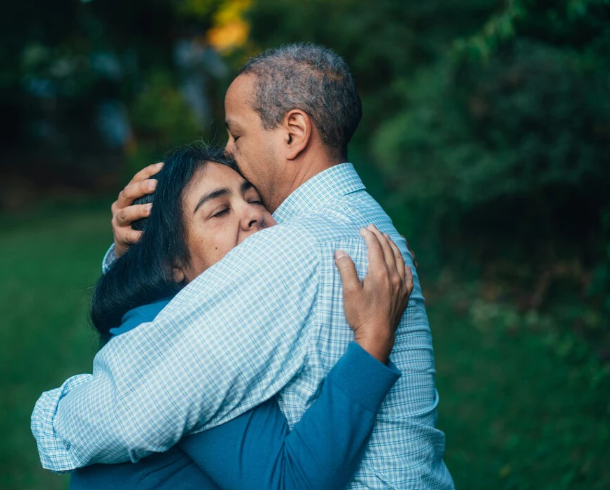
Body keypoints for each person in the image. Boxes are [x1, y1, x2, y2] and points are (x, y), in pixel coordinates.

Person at [33, 43, 454, 489]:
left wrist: (53, 415)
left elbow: (128, 412)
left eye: (237, 134)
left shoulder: (291, 248)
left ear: (293, 132)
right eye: (219, 209)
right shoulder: (365, 223)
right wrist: (135, 252)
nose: (230, 152)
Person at [67, 145, 411, 490]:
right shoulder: (187, 342)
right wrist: (372, 340)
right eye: (219, 211)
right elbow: (289, 483)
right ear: (172, 263)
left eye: (255, 199)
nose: (252, 214)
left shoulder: (192, 311)